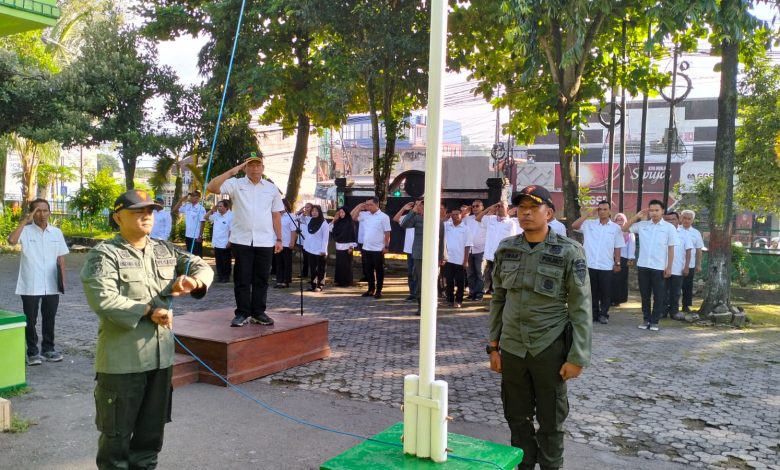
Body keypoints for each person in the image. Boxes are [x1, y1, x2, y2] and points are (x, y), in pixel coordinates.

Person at [80, 189, 213, 470]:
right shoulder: (103, 255)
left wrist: (194, 282)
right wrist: (148, 311)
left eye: (150, 211)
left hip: (160, 360)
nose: (146, 216)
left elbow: (201, 265)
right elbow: (103, 299)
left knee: (149, 439)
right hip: (122, 363)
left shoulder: (164, 250)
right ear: (118, 217)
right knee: (115, 442)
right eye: (138, 211)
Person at [488, 185, 591, 470]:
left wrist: (577, 356)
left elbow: (581, 306)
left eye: (534, 207)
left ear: (549, 213)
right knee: (516, 418)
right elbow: (498, 299)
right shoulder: (506, 249)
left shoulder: (569, 251)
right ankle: (522, 465)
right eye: (521, 207)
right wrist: (493, 347)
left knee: (551, 421)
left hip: (549, 347)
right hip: (511, 348)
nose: (526, 213)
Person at [206, 153, 284, 327]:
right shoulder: (235, 184)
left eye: (258, 165)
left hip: (265, 240)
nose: (255, 168)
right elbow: (212, 187)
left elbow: (276, 215)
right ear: (245, 168)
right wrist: (233, 171)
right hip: (241, 239)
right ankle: (242, 313)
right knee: (242, 278)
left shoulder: (271, 188)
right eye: (250, 165)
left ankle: (258, 312)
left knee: (261, 279)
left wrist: (279, 239)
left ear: (263, 168)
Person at [8, 198, 69, 365]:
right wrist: (24, 221)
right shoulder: (26, 232)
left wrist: (62, 280)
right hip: (30, 284)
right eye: (38, 211)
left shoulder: (56, 232)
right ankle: (32, 352)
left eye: (45, 210)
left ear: (50, 212)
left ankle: (48, 349)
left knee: (50, 318)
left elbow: (60, 257)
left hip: (51, 284)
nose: (42, 214)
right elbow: (12, 241)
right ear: (32, 213)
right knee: (31, 320)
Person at [623, 200, 679, 332]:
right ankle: (646, 319)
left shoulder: (669, 228)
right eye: (651, 210)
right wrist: (637, 216)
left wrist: (669, 267)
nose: (654, 213)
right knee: (645, 295)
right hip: (643, 265)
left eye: (656, 210)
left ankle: (654, 321)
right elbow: (624, 229)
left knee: (659, 295)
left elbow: (671, 249)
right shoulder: (642, 225)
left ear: (662, 211)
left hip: (659, 267)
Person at [571, 201, 625, 325]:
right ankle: (593, 314)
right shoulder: (589, 224)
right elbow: (574, 226)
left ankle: (604, 314)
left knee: (605, 292)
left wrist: (617, 263)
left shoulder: (615, 228)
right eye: (600, 209)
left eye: (605, 209)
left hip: (606, 265)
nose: (602, 211)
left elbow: (618, 247)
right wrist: (588, 214)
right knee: (592, 292)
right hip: (590, 264)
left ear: (610, 211)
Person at [399, 199, 445, 314]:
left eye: (422, 206)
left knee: (432, 280)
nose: (420, 208)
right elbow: (404, 224)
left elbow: (442, 240)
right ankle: (421, 306)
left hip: (432, 255)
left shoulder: (437, 221)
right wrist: (412, 211)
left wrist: (441, 256)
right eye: (420, 206)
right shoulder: (416, 218)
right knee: (420, 280)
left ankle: (431, 305)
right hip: (419, 254)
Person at [477, 201, 520, 297]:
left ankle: (500, 299)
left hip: (504, 256)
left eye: (501, 206)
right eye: (498, 206)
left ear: (507, 209)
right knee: (492, 278)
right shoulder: (491, 219)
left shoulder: (512, 223)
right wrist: (490, 207)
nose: (499, 208)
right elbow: (478, 218)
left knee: (501, 280)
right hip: (491, 256)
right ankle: (493, 300)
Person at [350, 198, 391, 299]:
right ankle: (370, 289)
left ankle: (379, 290)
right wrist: (359, 207)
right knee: (368, 270)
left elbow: (387, 233)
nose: (368, 207)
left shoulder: (384, 217)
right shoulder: (365, 215)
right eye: (367, 205)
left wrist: (386, 246)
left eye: (371, 205)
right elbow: (352, 217)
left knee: (379, 270)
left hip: (378, 248)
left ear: (377, 205)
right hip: (366, 247)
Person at [663, 211, 692, 321]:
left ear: (678, 220)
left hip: (678, 269)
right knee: (662, 292)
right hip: (663, 268)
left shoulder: (684, 233)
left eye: (673, 219)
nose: (670, 221)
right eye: (668, 219)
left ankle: (674, 312)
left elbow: (688, 251)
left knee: (675, 292)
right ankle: (663, 311)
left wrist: (686, 267)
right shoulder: (662, 232)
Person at [442, 207, 473, 308]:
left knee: (460, 282)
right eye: (453, 214)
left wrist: (465, 260)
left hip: (460, 260)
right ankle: (449, 300)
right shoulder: (447, 226)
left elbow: (468, 245)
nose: (455, 216)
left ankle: (459, 300)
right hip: (448, 259)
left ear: (461, 215)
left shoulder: (466, 228)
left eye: (457, 214)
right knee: (449, 281)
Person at [679, 210, 704, 313]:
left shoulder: (696, 233)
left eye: (689, 219)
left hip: (690, 264)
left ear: (692, 220)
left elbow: (699, 249)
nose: (686, 220)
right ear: (681, 218)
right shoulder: (675, 230)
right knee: (674, 286)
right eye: (684, 218)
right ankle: (672, 305)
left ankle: (686, 306)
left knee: (687, 286)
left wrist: (698, 264)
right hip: (676, 263)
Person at [462, 199, 487, 301]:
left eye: (477, 206)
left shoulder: (487, 219)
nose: (475, 208)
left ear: (482, 207)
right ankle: (472, 292)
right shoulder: (468, 219)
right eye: (473, 206)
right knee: (470, 273)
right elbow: (457, 221)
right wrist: (464, 212)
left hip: (481, 249)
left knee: (480, 273)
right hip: (469, 250)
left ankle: (479, 293)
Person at [393, 203, 416, 300]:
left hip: (422, 250)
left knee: (419, 273)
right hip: (409, 249)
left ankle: (420, 293)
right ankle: (412, 293)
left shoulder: (426, 216)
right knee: (411, 272)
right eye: (417, 205)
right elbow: (395, 219)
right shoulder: (408, 217)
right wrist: (403, 208)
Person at [206, 200, 233, 283]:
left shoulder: (231, 216)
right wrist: (212, 209)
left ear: (226, 207)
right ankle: (220, 276)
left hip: (225, 242)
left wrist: (229, 241)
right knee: (218, 261)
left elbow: (231, 230)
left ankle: (226, 277)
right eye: (218, 206)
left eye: (221, 206)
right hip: (217, 242)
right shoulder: (217, 215)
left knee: (226, 261)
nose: (219, 208)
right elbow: (206, 217)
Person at [172, 190, 206, 256]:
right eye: (190, 196)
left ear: (197, 198)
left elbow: (202, 222)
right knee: (189, 255)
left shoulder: (201, 209)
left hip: (196, 236)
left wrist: (200, 236)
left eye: (193, 196)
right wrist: (181, 200)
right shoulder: (187, 206)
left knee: (197, 255)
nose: (190, 197)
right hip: (188, 235)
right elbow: (174, 210)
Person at [303, 205, 329, 292]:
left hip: (320, 250)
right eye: (313, 211)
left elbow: (326, 238)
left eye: (316, 211)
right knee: (313, 268)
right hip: (311, 249)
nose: (314, 212)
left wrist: (323, 250)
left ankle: (320, 285)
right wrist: (303, 212)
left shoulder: (324, 223)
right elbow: (299, 219)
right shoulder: (310, 220)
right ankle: (313, 285)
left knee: (321, 268)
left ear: (320, 212)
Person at [611, 213, 635, 306]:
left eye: (621, 219)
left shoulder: (629, 232)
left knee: (621, 280)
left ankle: (619, 300)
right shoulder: (612, 230)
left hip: (624, 258)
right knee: (611, 280)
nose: (620, 221)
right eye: (618, 219)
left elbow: (632, 246)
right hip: (611, 258)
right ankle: (609, 299)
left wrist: (631, 258)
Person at [330, 206, 356, 287]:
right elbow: (330, 228)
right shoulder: (338, 222)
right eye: (340, 212)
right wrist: (334, 219)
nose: (341, 214)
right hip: (339, 246)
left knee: (346, 265)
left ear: (346, 213)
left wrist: (351, 247)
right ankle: (339, 281)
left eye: (342, 212)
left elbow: (352, 235)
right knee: (339, 265)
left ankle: (347, 282)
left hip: (347, 247)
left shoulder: (350, 223)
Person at [275, 199, 298, 289]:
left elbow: (293, 230)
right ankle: (279, 280)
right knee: (278, 263)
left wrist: (292, 241)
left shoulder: (291, 216)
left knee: (286, 263)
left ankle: (286, 281)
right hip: (277, 243)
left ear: (286, 206)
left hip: (287, 243)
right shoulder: (276, 216)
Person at [296, 202, 313, 277]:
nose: (306, 208)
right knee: (305, 257)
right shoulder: (303, 217)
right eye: (305, 207)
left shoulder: (313, 218)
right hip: (303, 240)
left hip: (310, 240)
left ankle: (313, 274)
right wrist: (300, 212)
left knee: (311, 257)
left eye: (308, 207)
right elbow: (296, 219)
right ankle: (304, 272)